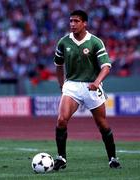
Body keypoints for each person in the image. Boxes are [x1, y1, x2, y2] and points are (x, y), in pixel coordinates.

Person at [53, 10, 121, 171]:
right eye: (71, 21)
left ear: (85, 23)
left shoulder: (95, 42)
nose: (72, 24)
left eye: (76, 21)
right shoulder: (63, 42)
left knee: (102, 124)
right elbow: (58, 64)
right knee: (61, 120)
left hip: (92, 85)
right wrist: (61, 84)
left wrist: (97, 82)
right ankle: (61, 158)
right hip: (72, 85)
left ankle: (112, 158)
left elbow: (106, 66)